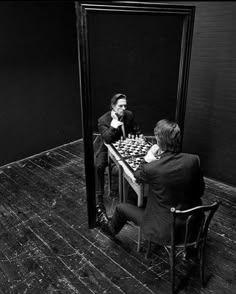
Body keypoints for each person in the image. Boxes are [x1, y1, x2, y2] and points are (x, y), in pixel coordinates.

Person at [97, 119, 205, 245]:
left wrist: (148, 158)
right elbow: (200, 191)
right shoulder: (193, 160)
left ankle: (106, 226)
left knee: (121, 208)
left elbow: (136, 175)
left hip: (164, 230)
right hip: (191, 225)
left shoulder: (153, 168)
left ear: (158, 141)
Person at [95, 93, 140, 216]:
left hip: (125, 145)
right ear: (113, 106)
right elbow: (107, 139)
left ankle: (136, 193)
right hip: (109, 146)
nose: (123, 109)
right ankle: (99, 198)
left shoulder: (129, 115)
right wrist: (113, 125)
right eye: (120, 106)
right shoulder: (103, 120)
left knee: (138, 162)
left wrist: (136, 140)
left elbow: (136, 130)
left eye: (125, 106)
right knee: (98, 165)